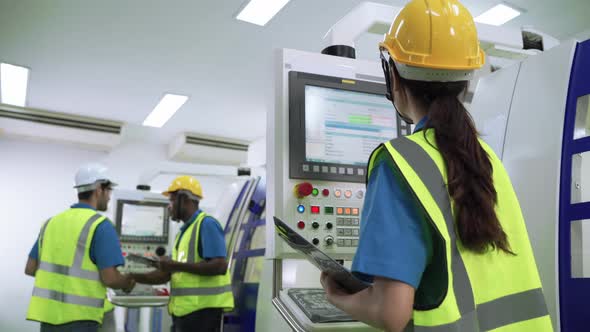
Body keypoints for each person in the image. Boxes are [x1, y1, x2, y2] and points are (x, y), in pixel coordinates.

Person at [319, 1, 553, 331]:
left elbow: (391, 312)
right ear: (466, 77)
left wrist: (335, 296)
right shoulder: (486, 158)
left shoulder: (398, 161)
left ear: (393, 76)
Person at [25, 163, 135, 332]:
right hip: (83, 320)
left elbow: (31, 268)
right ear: (99, 189)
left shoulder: (51, 223)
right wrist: (127, 282)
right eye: (108, 191)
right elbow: (111, 279)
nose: (109, 197)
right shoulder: (101, 226)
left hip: (48, 320)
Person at [130, 175, 234, 332]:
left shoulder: (207, 224)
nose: (168, 206)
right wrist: (133, 277)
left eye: (171, 200)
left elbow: (219, 266)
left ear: (184, 199)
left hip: (203, 315)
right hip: (184, 315)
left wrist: (175, 265)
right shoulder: (183, 233)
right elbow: (167, 274)